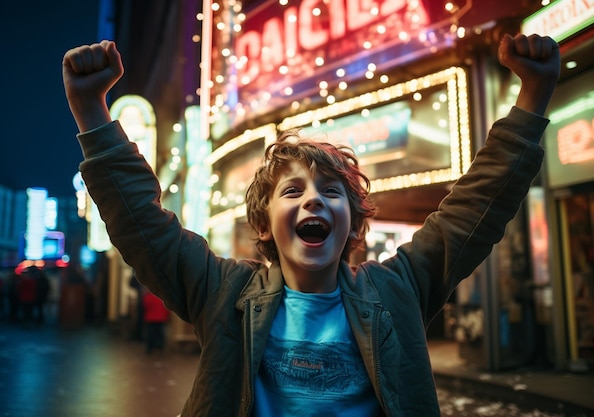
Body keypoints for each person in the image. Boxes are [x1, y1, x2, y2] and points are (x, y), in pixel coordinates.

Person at [62, 33, 560, 416]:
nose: (314, 202)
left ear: (353, 221)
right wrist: (91, 110)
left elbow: (476, 207)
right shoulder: (222, 292)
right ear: (264, 222)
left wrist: (533, 96)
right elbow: (141, 224)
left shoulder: (396, 290)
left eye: (331, 192)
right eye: (293, 191)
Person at [142, 288, 170, 354]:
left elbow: (145, 307)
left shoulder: (147, 297)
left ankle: (150, 349)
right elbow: (167, 309)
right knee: (160, 335)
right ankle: (160, 348)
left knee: (150, 335)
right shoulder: (162, 298)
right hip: (161, 318)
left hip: (150, 318)